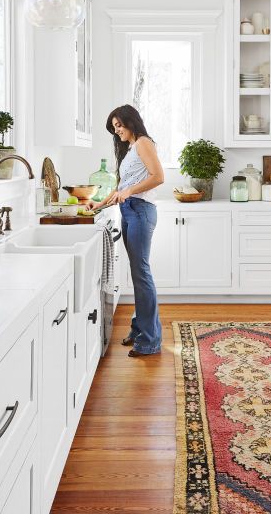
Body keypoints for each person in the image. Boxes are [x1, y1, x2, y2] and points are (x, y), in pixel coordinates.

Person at [88, 104, 164, 357]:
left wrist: (129, 192)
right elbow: (122, 185)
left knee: (141, 273)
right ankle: (140, 329)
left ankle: (151, 340)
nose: (117, 130)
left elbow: (159, 177)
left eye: (119, 125)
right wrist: (99, 203)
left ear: (132, 122)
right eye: (114, 127)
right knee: (137, 273)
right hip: (129, 210)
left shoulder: (143, 142)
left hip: (141, 210)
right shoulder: (131, 148)